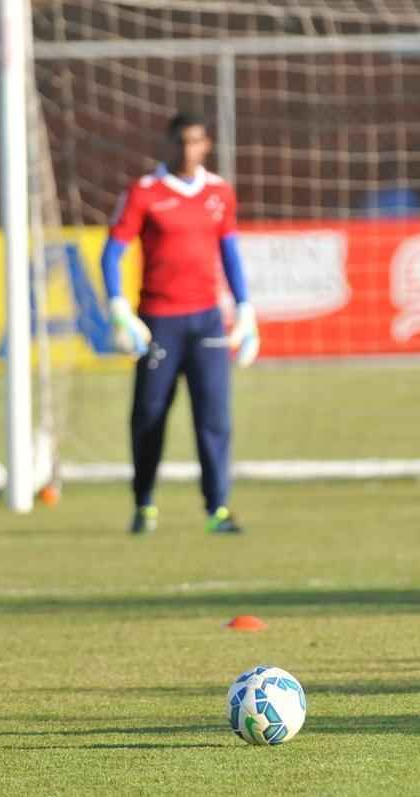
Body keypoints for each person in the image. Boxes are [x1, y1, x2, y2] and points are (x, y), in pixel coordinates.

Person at [100, 110, 259, 535]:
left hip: (206, 321)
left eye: (196, 142)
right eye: (181, 142)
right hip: (159, 321)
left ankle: (218, 508)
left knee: (214, 417)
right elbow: (111, 252)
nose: (188, 150)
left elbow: (230, 251)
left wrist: (245, 309)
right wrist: (119, 307)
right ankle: (145, 503)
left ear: (206, 145)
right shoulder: (144, 193)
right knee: (150, 415)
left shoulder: (220, 193)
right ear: (168, 144)